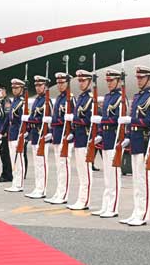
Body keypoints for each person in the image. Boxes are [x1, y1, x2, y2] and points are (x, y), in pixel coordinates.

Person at [118, 65, 150, 226]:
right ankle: (136, 211)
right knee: (136, 181)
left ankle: (143, 214)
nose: (139, 80)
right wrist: (127, 137)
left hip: (145, 143)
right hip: (135, 142)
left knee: (143, 180)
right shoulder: (137, 96)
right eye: (138, 78)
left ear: (149, 79)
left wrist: (132, 121)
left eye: (142, 78)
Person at [91, 69, 123, 217]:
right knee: (107, 177)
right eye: (108, 81)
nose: (109, 83)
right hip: (106, 141)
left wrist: (102, 120)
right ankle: (106, 205)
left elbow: (119, 120)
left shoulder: (120, 98)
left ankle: (113, 207)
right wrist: (99, 135)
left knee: (114, 177)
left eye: (112, 81)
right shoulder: (109, 97)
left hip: (114, 140)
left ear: (118, 81)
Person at [66, 70, 95, 210]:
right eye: (79, 81)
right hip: (78, 138)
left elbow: (90, 120)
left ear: (89, 81)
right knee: (80, 171)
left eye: (83, 81)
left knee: (85, 171)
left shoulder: (90, 98)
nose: (81, 83)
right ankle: (81, 198)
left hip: (85, 139)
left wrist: (75, 119)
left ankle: (84, 200)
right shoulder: (81, 98)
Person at [44, 73, 74, 204]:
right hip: (57, 135)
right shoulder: (59, 98)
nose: (60, 85)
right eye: (59, 83)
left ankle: (63, 194)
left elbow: (73, 118)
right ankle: (58, 192)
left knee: (64, 166)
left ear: (68, 83)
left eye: (63, 83)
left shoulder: (70, 99)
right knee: (58, 167)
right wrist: (51, 131)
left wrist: (71, 132)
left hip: (64, 136)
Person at [22, 76, 51, 199]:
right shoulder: (37, 100)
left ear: (45, 86)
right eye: (37, 86)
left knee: (41, 163)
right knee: (36, 163)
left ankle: (42, 189)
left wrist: (31, 119)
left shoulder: (46, 100)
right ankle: (37, 187)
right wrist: (27, 130)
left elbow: (49, 119)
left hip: (41, 134)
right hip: (34, 134)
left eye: (40, 85)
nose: (38, 88)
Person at [3, 78, 27, 193]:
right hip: (11, 134)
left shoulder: (22, 102)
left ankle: (19, 184)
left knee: (19, 160)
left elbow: (24, 121)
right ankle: (15, 182)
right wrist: (1, 131)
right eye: (13, 88)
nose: (14, 90)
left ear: (22, 89)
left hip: (18, 133)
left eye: (16, 88)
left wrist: (23, 135)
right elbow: (8, 119)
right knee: (13, 160)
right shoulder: (15, 101)